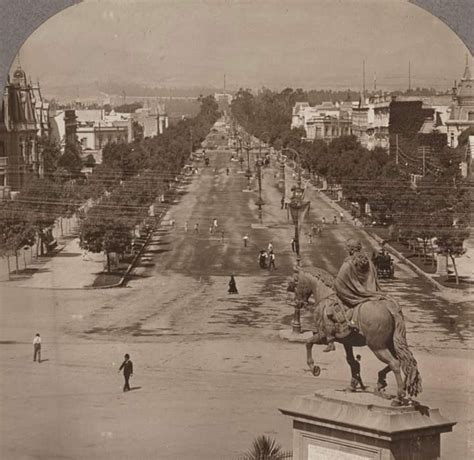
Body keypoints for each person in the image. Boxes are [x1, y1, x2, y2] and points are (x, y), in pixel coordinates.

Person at [323, 239, 381, 352]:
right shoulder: (368, 260)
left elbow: (339, 283)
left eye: (347, 248)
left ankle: (333, 335)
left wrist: (335, 285)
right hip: (369, 291)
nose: (346, 250)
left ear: (351, 249)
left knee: (330, 307)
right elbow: (373, 278)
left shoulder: (349, 262)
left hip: (354, 294)